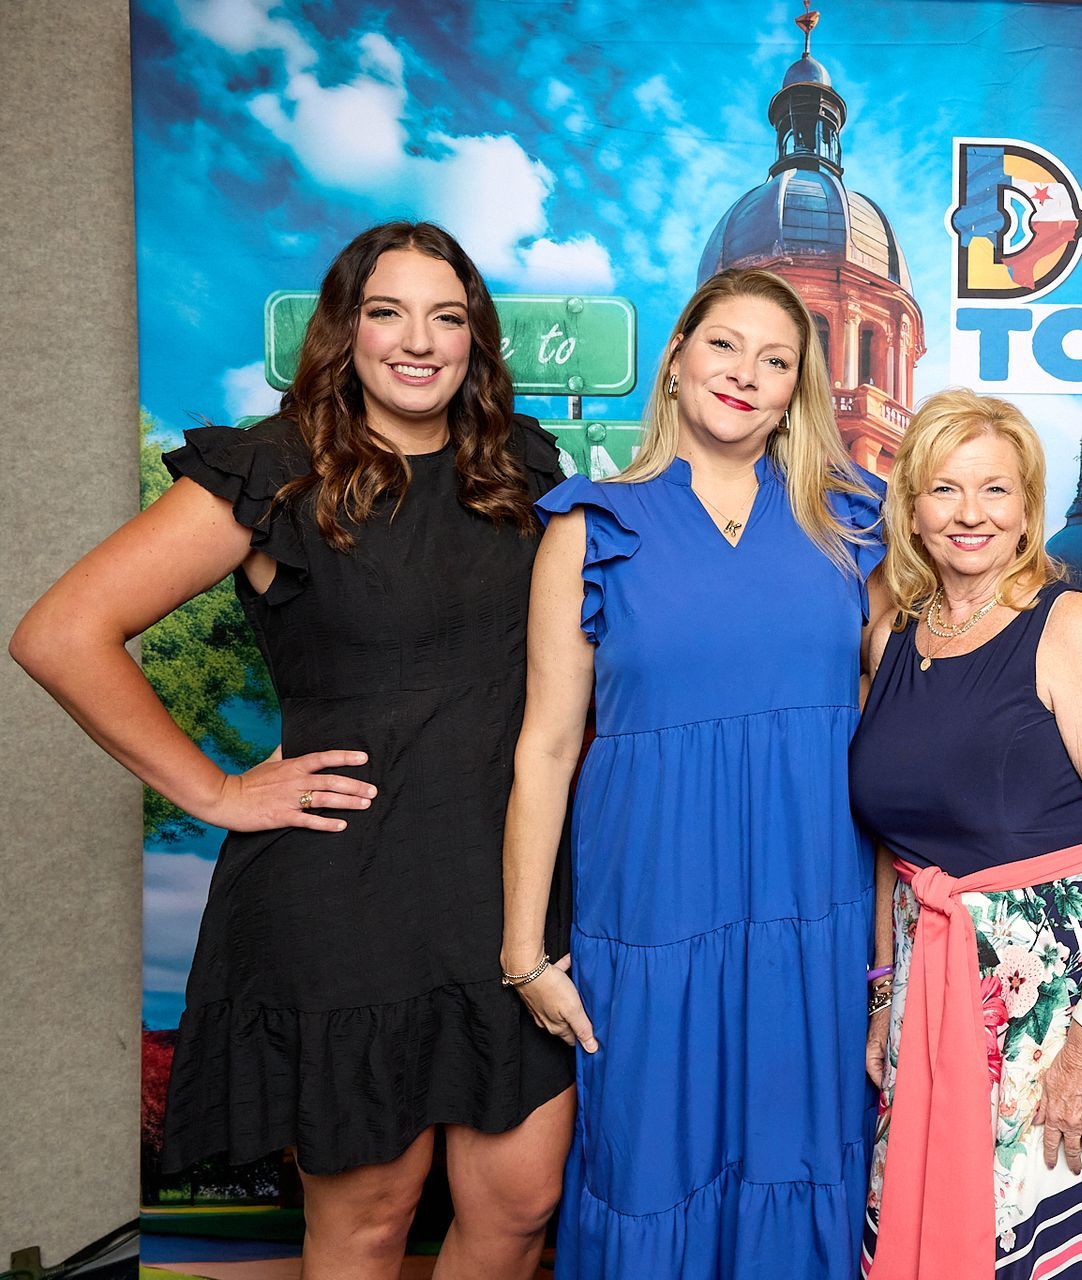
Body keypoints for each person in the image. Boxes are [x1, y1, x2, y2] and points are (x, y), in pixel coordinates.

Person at [11, 221, 575, 1277]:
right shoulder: (274, 468)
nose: (420, 340)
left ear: (477, 338)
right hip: (348, 897)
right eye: (388, 312)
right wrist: (216, 789)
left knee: (520, 1204)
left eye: (447, 317)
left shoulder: (518, 467)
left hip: (506, 885)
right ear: (345, 329)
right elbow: (61, 633)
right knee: (372, 1217)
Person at [499, 267, 884, 1279]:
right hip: (655, 911)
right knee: (651, 1163)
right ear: (675, 360)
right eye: (724, 345)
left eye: (776, 360)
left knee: (799, 1154)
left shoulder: (853, 523)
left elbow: (916, 710)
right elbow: (546, 744)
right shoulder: (592, 526)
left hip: (812, 910)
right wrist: (524, 952)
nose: (745, 373)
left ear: (796, 391)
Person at [851, 389, 1082, 1279]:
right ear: (911, 510)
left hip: (1055, 1009)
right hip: (929, 997)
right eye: (946, 489)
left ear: (1029, 510)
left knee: (1048, 1255)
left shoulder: (1068, 625)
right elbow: (892, 846)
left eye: (995, 489)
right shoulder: (893, 639)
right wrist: (884, 997)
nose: (972, 514)